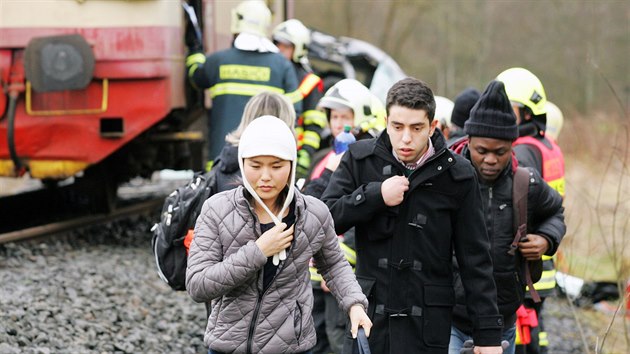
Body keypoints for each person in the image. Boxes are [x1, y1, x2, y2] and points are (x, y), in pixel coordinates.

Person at [322, 77, 504, 354]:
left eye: (416, 128)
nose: (406, 138)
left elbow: (475, 259)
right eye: (397, 127)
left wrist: (488, 336)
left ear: (432, 126)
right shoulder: (360, 159)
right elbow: (327, 217)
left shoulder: (459, 175)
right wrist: (375, 196)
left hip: (427, 324)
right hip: (369, 319)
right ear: (386, 121)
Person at [186, 115, 372, 354]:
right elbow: (197, 285)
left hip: (290, 346)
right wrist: (258, 251)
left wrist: (355, 304)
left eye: (276, 166)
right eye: (255, 165)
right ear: (242, 164)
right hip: (227, 346)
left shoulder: (314, 213)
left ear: (292, 165)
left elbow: (334, 265)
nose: (265, 176)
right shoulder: (217, 209)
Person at [447, 80, 566, 354]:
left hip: (504, 320)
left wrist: (546, 240)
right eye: (482, 151)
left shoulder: (527, 182)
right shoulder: (449, 179)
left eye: (500, 152)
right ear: (469, 141)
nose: (490, 159)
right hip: (452, 318)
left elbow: (556, 212)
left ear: (512, 146)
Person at [497, 67, 566, 354]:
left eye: (506, 108)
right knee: (536, 332)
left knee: (522, 339)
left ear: (525, 113)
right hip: (545, 259)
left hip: (528, 263)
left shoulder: (522, 151)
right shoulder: (548, 145)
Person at [186, 0, 302, 168]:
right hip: (264, 163)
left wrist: (195, 49)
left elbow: (195, 76)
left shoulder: (218, 61)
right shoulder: (282, 65)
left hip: (222, 160)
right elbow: (294, 113)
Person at [273, 19, 328, 179]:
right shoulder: (271, 73)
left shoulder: (309, 81)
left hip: (293, 151)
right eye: (277, 44)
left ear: (298, 48)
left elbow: (315, 123)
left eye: (286, 46)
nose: (279, 49)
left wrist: (306, 154)